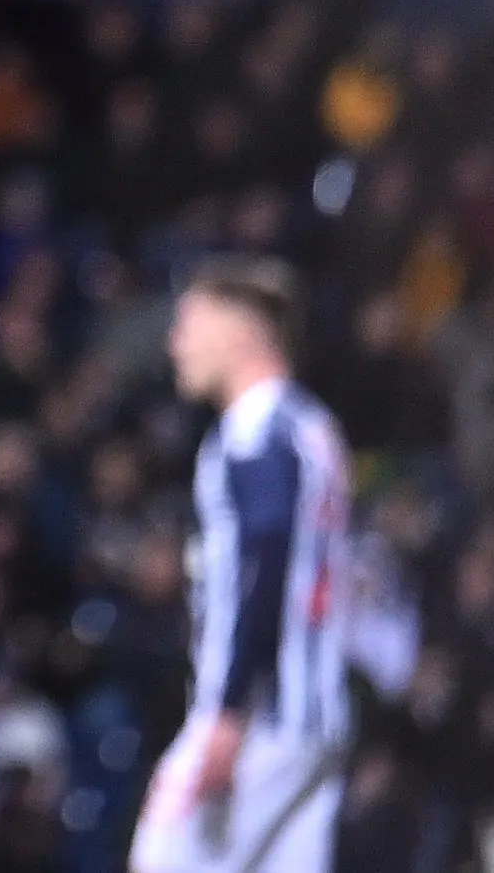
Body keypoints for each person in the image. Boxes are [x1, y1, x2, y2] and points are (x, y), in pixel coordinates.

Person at [130, 257, 352, 873]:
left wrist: (228, 712)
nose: (176, 345)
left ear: (239, 332)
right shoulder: (312, 426)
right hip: (318, 712)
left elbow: (269, 550)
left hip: (262, 715)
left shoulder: (254, 430)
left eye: (190, 325)